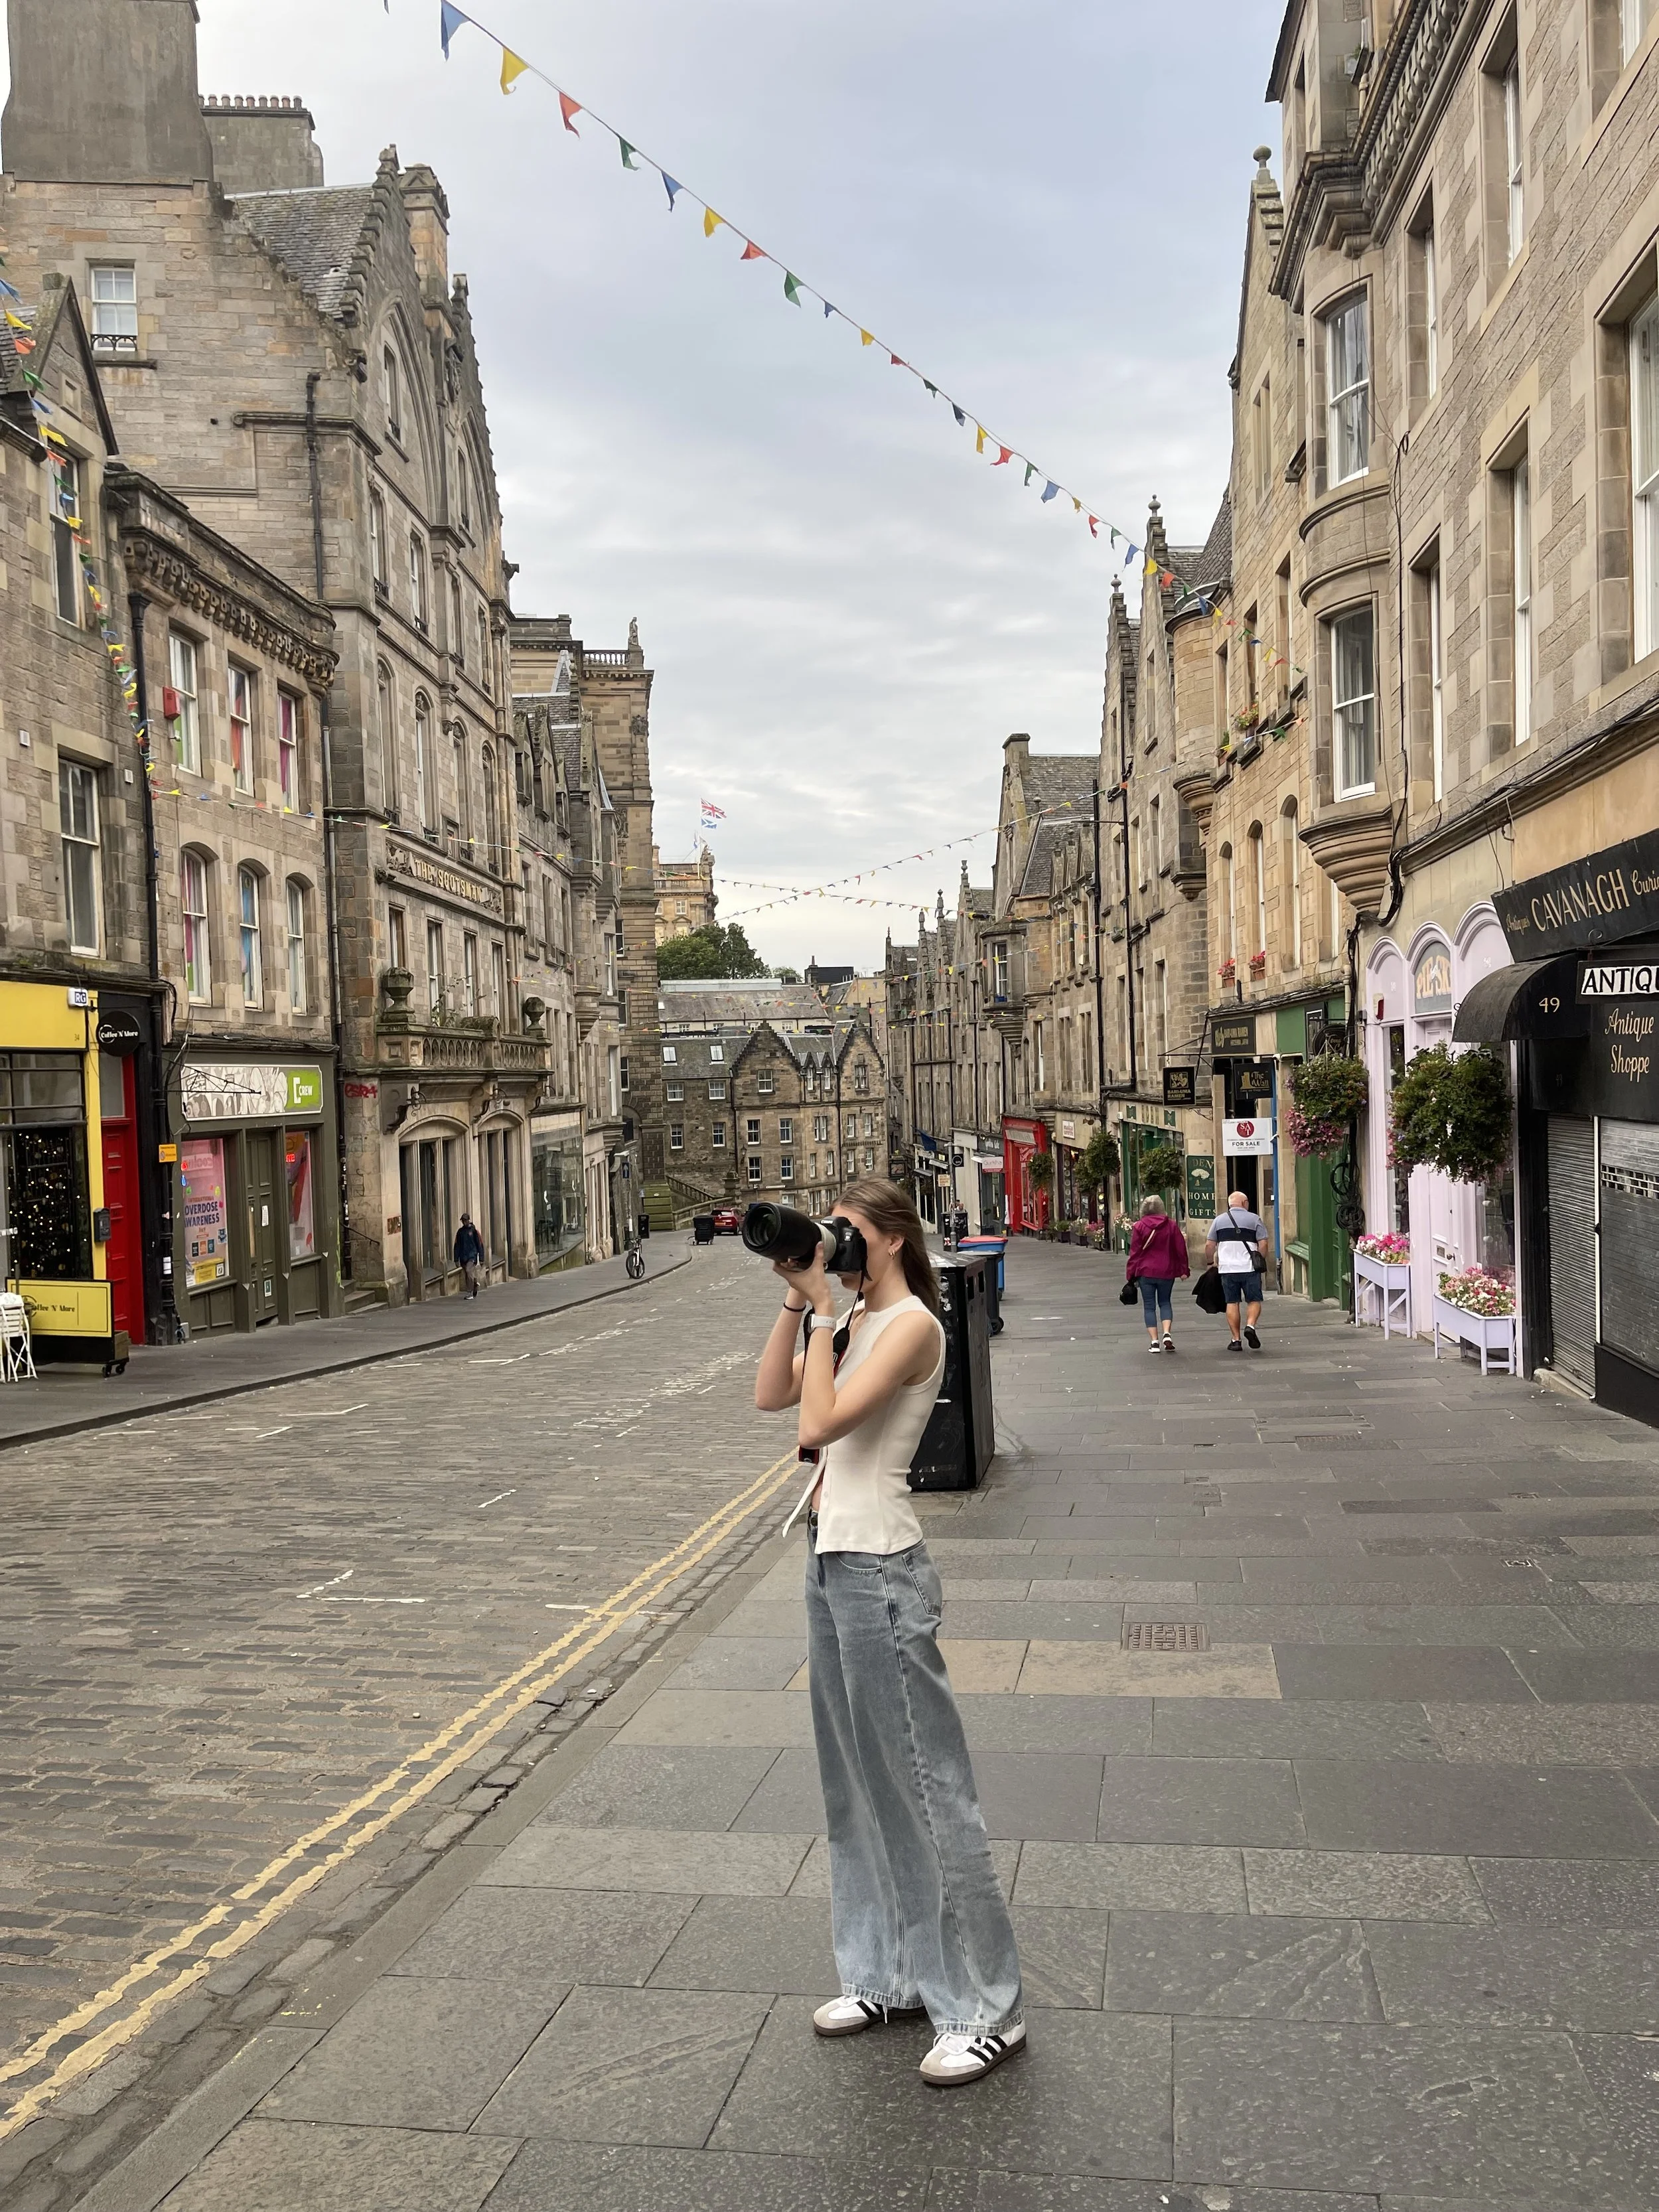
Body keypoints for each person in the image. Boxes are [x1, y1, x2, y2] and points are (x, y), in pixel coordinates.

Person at [755, 1177, 1025, 2088]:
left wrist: (828, 1305)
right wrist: (801, 1302)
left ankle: (986, 2008)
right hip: (830, 1563)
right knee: (855, 1788)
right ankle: (886, 1976)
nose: (837, 1244)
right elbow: (770, 1398)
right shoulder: (853, 1321)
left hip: (881, 1569)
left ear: (896, 1241)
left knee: (924, 1787)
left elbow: (822, 1420)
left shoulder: (909, 1323)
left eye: (850, 1233)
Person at [1125, 1194, 1190, 1353]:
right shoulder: (1171, 1225)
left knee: (1149, 1307)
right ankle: (1167, 1333)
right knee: (1165, 1302)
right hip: (1167, 1271)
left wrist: (1130, 1274)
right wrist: (1184, 1269)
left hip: (1145, 1272)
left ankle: (1154, 1342)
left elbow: (1135, 1252)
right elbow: (1180, 1249)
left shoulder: (1139, 1227)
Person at [1205, 1191, 1267, 1351]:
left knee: (1232, 1302)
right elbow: (1264, 1243)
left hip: (1227, 1269)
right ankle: (1250, 1326)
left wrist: (1210, 1262)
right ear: (1245, 1203)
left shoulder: (1219, 1220)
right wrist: (1260, 1260)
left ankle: (1236, 1340)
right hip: (1249, 1268)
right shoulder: (1254, 1219)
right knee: (1254, 1300)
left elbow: (1209, 1245)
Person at [453, 1212, 485, 1297]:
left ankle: (469, 1293)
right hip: (463, 1257)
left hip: (472, 1256)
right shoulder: (460, 1232)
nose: (465, 1222)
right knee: (468, 1274)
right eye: (463, 1221)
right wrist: (456, 1259)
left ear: (469, 1220)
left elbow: (480, 1244)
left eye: (466, 1220)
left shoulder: (474, 1231)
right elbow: (457, 1246)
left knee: (469, 1271)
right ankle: (475, 1283)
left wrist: (481, 1258)